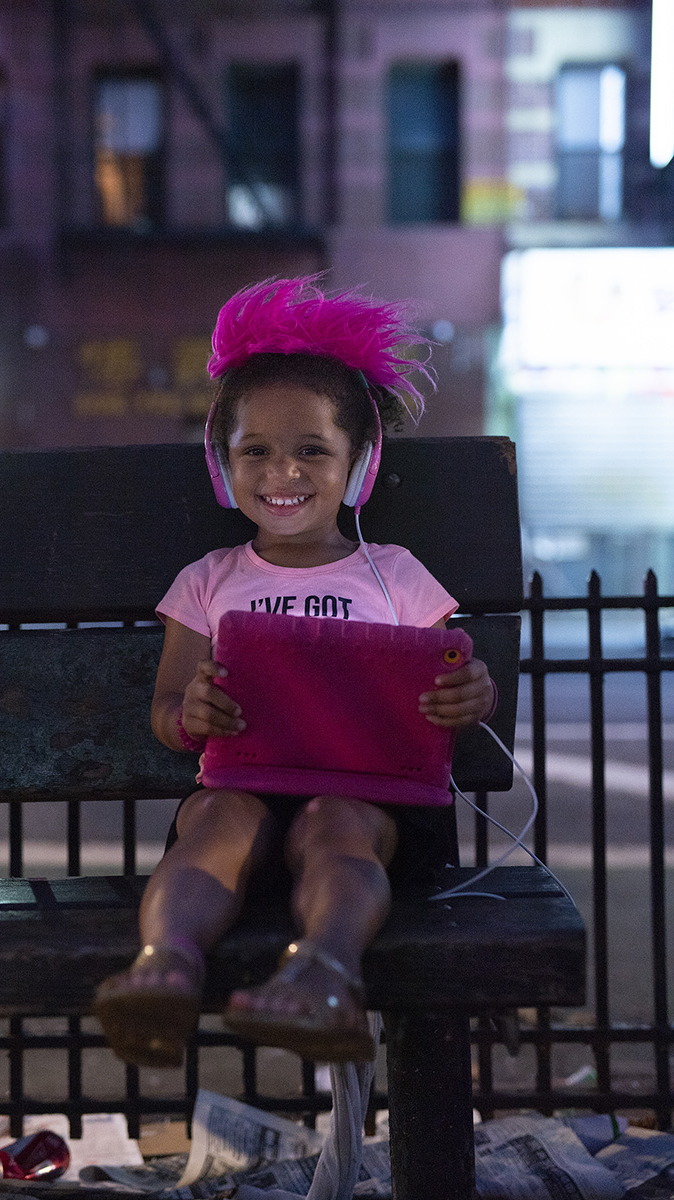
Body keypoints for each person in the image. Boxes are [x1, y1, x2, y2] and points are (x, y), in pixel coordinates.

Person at [94, 276, 496, 1069]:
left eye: (312, 449)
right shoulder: (208, 581)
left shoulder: (396, 576)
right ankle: (165, 964)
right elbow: (168, 709)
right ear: (223, 466)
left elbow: (447, 685)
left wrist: (469, 694)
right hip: (244, 797)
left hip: (369, 812)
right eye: (256, 452)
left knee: (336, 823)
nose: (283, 472)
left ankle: (326, 971)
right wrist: (189, 715)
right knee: (215, 819)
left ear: (360, 465)